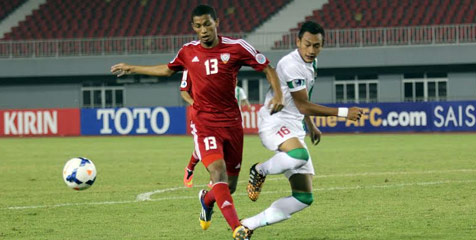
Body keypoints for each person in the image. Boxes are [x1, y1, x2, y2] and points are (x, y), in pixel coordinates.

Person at [111, 5, 284, 239]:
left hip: (232, 124)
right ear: (194, 27)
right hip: (204, 124)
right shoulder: (187, 51)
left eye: (207, 24)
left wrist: (278, 95)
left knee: (228, 187)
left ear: (217, 23)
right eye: (198, 26)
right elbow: (167, 69)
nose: (203, 30)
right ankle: (237, 228)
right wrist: (132, 68)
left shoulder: (236, 47)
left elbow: (267, 68)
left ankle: (206, 198)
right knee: (219, 175)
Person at [241, 21, 363, 235]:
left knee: (303, 197)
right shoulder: (291, 64)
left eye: (316, 46)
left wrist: (311, 124)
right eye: (307, 44)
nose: (311, 50)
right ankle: (260, 170)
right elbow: (303, 104)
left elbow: (303, 101)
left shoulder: (311, 64)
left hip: (293, 126)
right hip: (274, 121)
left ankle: (247, 225)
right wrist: (344, 113)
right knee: (299, 155)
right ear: (298, 42)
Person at [183, 83, 250, 188]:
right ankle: (190, 169)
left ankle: (213, 178)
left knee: (220, 149)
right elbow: (184, 91)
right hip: (204, 118)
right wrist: (195, 104)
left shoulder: (234, 88)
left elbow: (244, 102)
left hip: (230, 121)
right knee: (207, 148)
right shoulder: (197, 74)